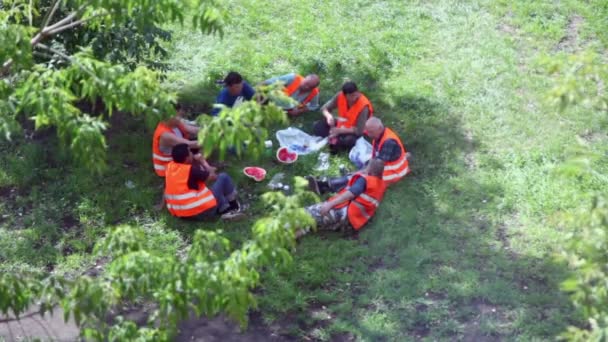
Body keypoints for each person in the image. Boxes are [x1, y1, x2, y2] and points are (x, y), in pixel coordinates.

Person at [297, 159, 387, 238]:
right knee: (316, 221)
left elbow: (351, 194)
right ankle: (303, 230)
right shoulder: (381, 185)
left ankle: (290, 227)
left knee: (306, 213)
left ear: (370, 171)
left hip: (346, 213)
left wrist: (330, 204)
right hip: (353, 222)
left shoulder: (365, 180)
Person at [163, 144, 244, 220]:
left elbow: (169, 186)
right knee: (223, 177)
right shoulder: (190, 170)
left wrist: (161, 204)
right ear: (187, 158)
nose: (192, 153)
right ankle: (234, 206)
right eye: (190, 152)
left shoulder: (170, 167)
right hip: (201, 212)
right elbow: (213, 176)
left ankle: (224, 209)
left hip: (181, 214)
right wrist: (203, 161)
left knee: (208, 189)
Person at [313, 81, 373, 153]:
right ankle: (333, 138)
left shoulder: (363, 106)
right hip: (340, 123)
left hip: (352, 131)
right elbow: (324, 109)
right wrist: (329, 116)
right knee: (317, 126)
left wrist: (340, 131)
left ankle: (333, 140)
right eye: (350, 96)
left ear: (357, 92)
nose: (354, 98)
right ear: (345, 95)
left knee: (349, 141)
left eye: (355, 95)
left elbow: (359, 131)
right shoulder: (340, 96)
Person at [152, 104, 205, 177]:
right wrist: (209, 141)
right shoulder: (165, 135)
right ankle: (200, 168)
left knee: (198, 144)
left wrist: (207, 131)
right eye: (178, 116)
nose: (180, 118)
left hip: (179, 155)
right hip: (167, 167)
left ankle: (201, 165)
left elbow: (192, 129)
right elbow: (189, 144)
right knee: (198, 145)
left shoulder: (175, 122)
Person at [364, 117, 410, 185]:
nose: (369, 135)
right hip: (390, 166)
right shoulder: (379, 135)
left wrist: (369, 177)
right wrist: (366, 171)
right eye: (368, 132)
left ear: (379, 128)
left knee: (366, 178)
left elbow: (379, 165)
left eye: (371, 132)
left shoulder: (388, 141)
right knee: (367, 167)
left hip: (395, 173)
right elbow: (373, 158)